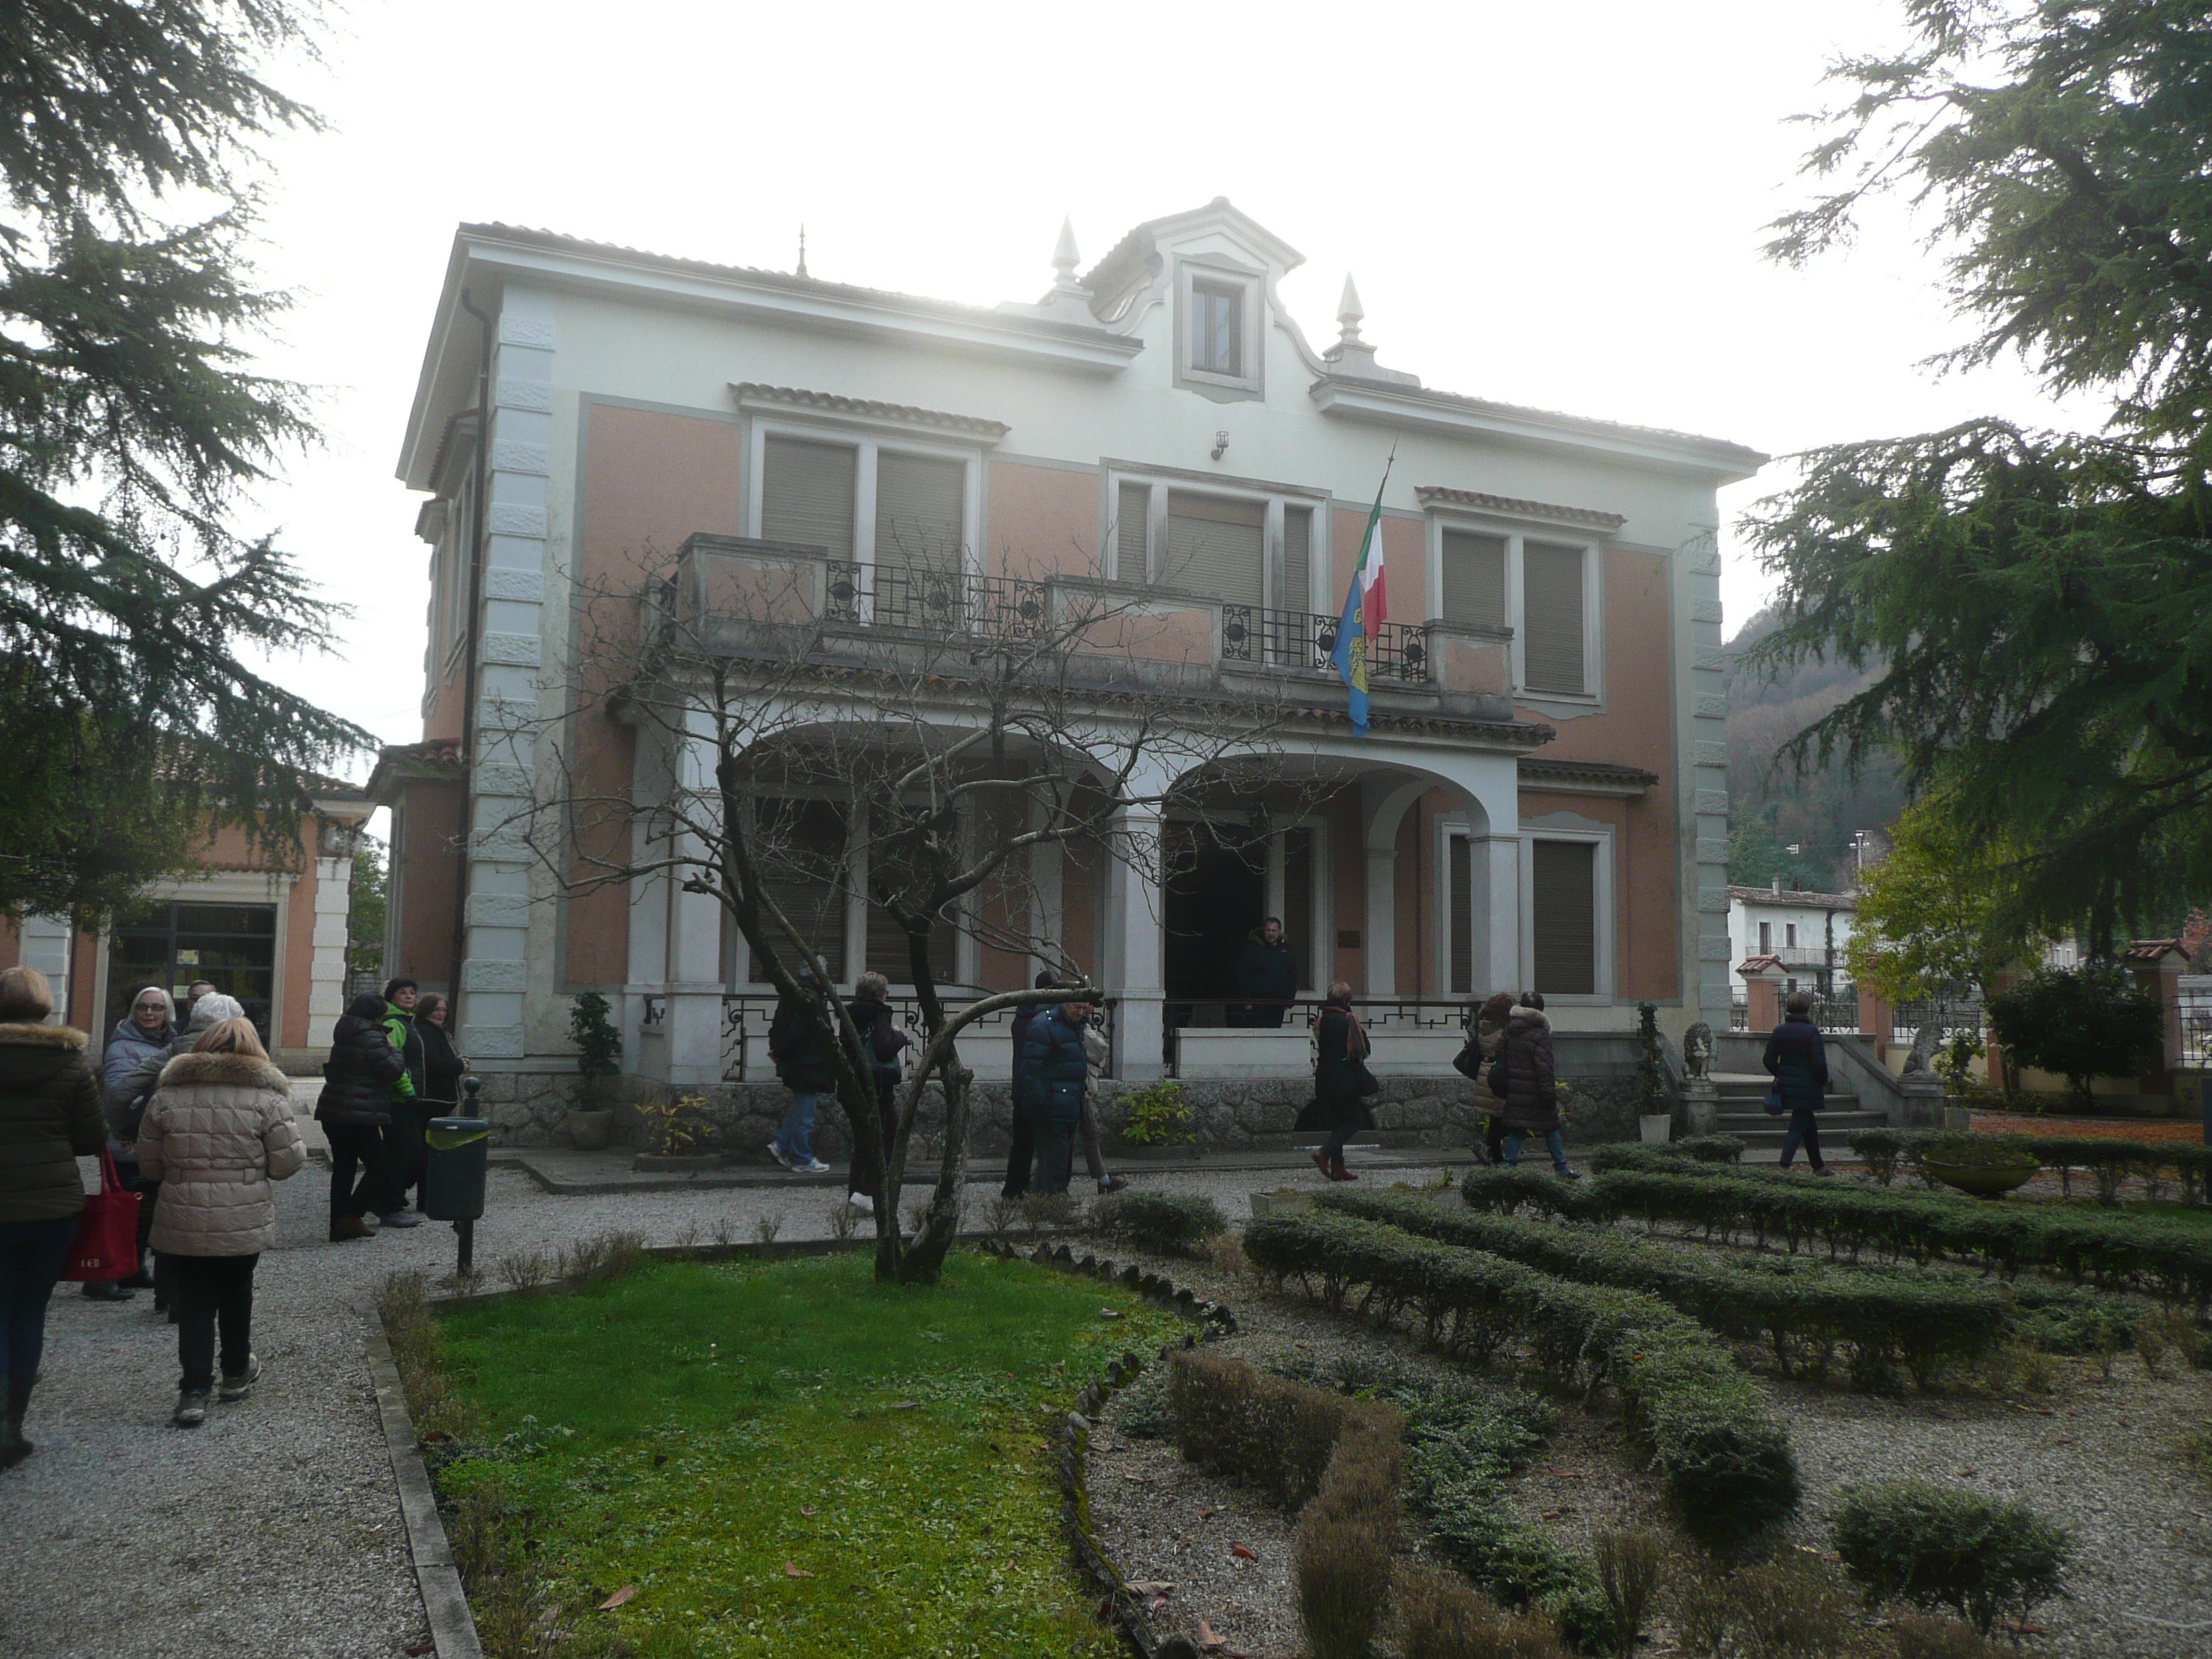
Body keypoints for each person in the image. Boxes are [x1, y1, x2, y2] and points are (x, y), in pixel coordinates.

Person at [137, 1018, 304, 1428]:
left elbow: (149, 1166)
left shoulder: (166, 1097)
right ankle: (235, 1373)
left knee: (194, 1300)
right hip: (242, 1213)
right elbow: (287, 1163)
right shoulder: (267, 1099)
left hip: (184, 1212)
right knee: (237, 1291)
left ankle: (194, 1391)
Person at [0, 966, 107, 1467]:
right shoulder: (70, 1062)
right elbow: (91, 1139)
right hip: (51, 1208)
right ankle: (11, 1424)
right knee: (27, 1313)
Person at [111, 992, 248, 1309]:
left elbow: (119, 1094)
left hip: (176, 1149)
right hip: (228, 1153)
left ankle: (167, 1295)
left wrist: (126, 1131)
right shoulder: (245, 1054)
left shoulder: (174, 1051)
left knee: (170, 1217)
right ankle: (211, 1298)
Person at [98, 985, 174, 1300]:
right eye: (143, 1007)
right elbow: (117, 1096)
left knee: (144, 1214)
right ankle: (104, 1276)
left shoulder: (169, 1042)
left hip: (149, 1140)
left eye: (157, 1007)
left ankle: (134, 1268)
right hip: (129, 1142)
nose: (149, 1013)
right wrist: (127, 1131)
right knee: (122, 1214)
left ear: (167, 1013)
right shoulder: (124, 1046)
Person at [318, 991, 412, 1241]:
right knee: (381, 1167)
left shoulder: (346, 1032)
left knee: (344, 1168)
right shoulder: (371, 1036)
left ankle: (338, 1224)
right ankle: (351, 1216)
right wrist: (396, 1049)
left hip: (334, 1109)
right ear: (376, 1015)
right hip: (358, 1113)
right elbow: (393, 1071)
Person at [845, 972, 907, 1214]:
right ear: (880, 994)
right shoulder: (880, 1014)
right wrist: (899, 1035)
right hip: (877, 1087)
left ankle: (854, 1196)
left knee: (862, 1143)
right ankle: (866, 1192)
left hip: (852, 1084)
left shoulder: (849, 1013)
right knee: (889, 1137)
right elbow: (884, 1048)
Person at [1298, 981, 1373, 1182]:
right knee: (1354, 1121)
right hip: (1345, 1078)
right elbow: (1363, 1049)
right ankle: (1324, 1153)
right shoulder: (1349, 1019)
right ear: (1347, 999)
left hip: (1324, 1078)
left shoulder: (1320, 1021)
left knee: (1338, 1122)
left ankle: (1338, 1168)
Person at [1499, 992, 1578, 1179]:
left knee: (1516, 1129)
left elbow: (1500, 1057)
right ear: (1540, 1011)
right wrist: (1549, 1094)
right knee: (1551, 1129)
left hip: (1515, 1090)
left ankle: (1507, 1170)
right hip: (1536, 1092)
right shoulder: (1540, 1035)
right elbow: (1545, 1069)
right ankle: (1562, 1169)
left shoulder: (1509, 1031)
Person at [1020, 993, 1090, 1195]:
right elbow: (1031, 1071)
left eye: (1084, 1008)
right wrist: (1043, 1103)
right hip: (1052, 1105)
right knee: (1054, 1161)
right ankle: (1053, 1200)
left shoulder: (1073, 1025)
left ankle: (1044, 1199)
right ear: (1065, 1003)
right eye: (1077, 1007)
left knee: (1058, 1160)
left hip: (1068, 1102)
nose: (1081, 1012)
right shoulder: (1044, 1026)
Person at [766, 970, 835, 1175]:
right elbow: (800, 1032)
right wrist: (780, 1052)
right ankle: (801, 1158)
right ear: (816, 977)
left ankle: (781, 1143)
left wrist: (778, 1051)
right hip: (808, 1062)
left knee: (801, 1108)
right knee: (806, 1113)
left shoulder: (794, 994)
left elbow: (779, 1026)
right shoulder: (810, 998)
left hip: (799, 1061)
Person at [1765, 989, 1833, 1175]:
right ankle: (1783, 1165)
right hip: (1809, 1086)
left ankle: (1818, 1166)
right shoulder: (1812, 1033)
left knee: (1808, 1125)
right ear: (1807, 1008)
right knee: (1798, 1124)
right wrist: (1822, 1080)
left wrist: (1782, 1074)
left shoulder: (1779, 1031)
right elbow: (1819, 1063)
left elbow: (1768, 1060)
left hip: (1787, 1086)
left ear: (1788, 1008)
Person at [1002, 972, 1055, 1200]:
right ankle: (1042, 1191)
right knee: (1046, 1145)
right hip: (1038, 1089)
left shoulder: (1021, 1016)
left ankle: (1014, 1189)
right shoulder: (1044, 1020)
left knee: (1021, 1145)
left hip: (1021, 1088)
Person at [380, 979, 429, 1218]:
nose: (409, 996)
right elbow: (393, 1063)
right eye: (403, 993)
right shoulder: (394, 1023)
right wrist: (407, 1089)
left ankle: (392, 1195)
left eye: (412, 993)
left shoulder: (408, 1022)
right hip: (399, 1100)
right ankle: (387, 1201)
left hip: (409, 1098)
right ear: (392, 997)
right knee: (404, 1153)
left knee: (411, 1152)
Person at [1079, 1012, 1127, 1195]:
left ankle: (1103, 1179)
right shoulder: (1080, 1026)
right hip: (1079, 1089)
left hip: (1078, 1089)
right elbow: (1100, 1048)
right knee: (1088, 1134)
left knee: (1087, 1133)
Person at [1471, 991, 1517, 1166]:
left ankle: (1494, 1154)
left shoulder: (1484, 1027)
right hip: (1499, 1075)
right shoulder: (1502, 1031)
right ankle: (1488, 1148)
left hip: (1485, 1073)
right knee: (1504, 1119)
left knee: (1496, 1118)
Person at [1234, 917, 1298, 1028]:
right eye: (1268, 930)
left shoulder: (1286, 950)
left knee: (1274, 1033)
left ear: (1279, 932)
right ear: (1264, 930)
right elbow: (1243, 975)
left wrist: (1289, 999)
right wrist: (1246, 1000)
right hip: (1257, 1002)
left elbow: (1292, 975)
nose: (1270, 934)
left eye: (1274, 931)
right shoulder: (1252, 949)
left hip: (1278, 1003)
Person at [414, 994, 469, 1117]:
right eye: (437, 1010)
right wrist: (460, 1065)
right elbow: (432, 1064)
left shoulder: (440, 1031)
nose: (441, 1014)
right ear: (426, 1010)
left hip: (442, 1098)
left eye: (444, 1010)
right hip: (433, 1098)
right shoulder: (425, 1032)